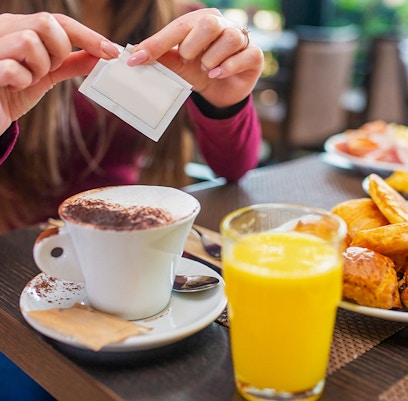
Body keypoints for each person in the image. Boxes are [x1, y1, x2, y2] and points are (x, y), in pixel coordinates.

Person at [0, 2, 263, 400]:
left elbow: (235, 166)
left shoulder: (182, 19)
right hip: (13, 266)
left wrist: (225, 100)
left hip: (138, 247)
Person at [0, 0, 264, 234]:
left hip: (134, 237)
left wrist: (226, 104)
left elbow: (235, 170)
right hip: (19, 248)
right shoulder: (9, 30)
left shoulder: (189, 30)